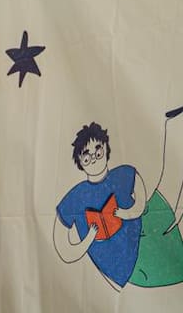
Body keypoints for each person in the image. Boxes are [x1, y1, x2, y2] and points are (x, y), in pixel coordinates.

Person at [53, 121, 183, 290]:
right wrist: (88, 240)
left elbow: (140, 196)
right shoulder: (75, 197)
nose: (93, 159)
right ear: (80, 162)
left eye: (98, 152)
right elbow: (64, 250)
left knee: (167, 189)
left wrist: (130, 212)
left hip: (144, 234)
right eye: (87, 156)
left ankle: (172, 125)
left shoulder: (124, 173)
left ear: (106, 150)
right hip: (123, 265)